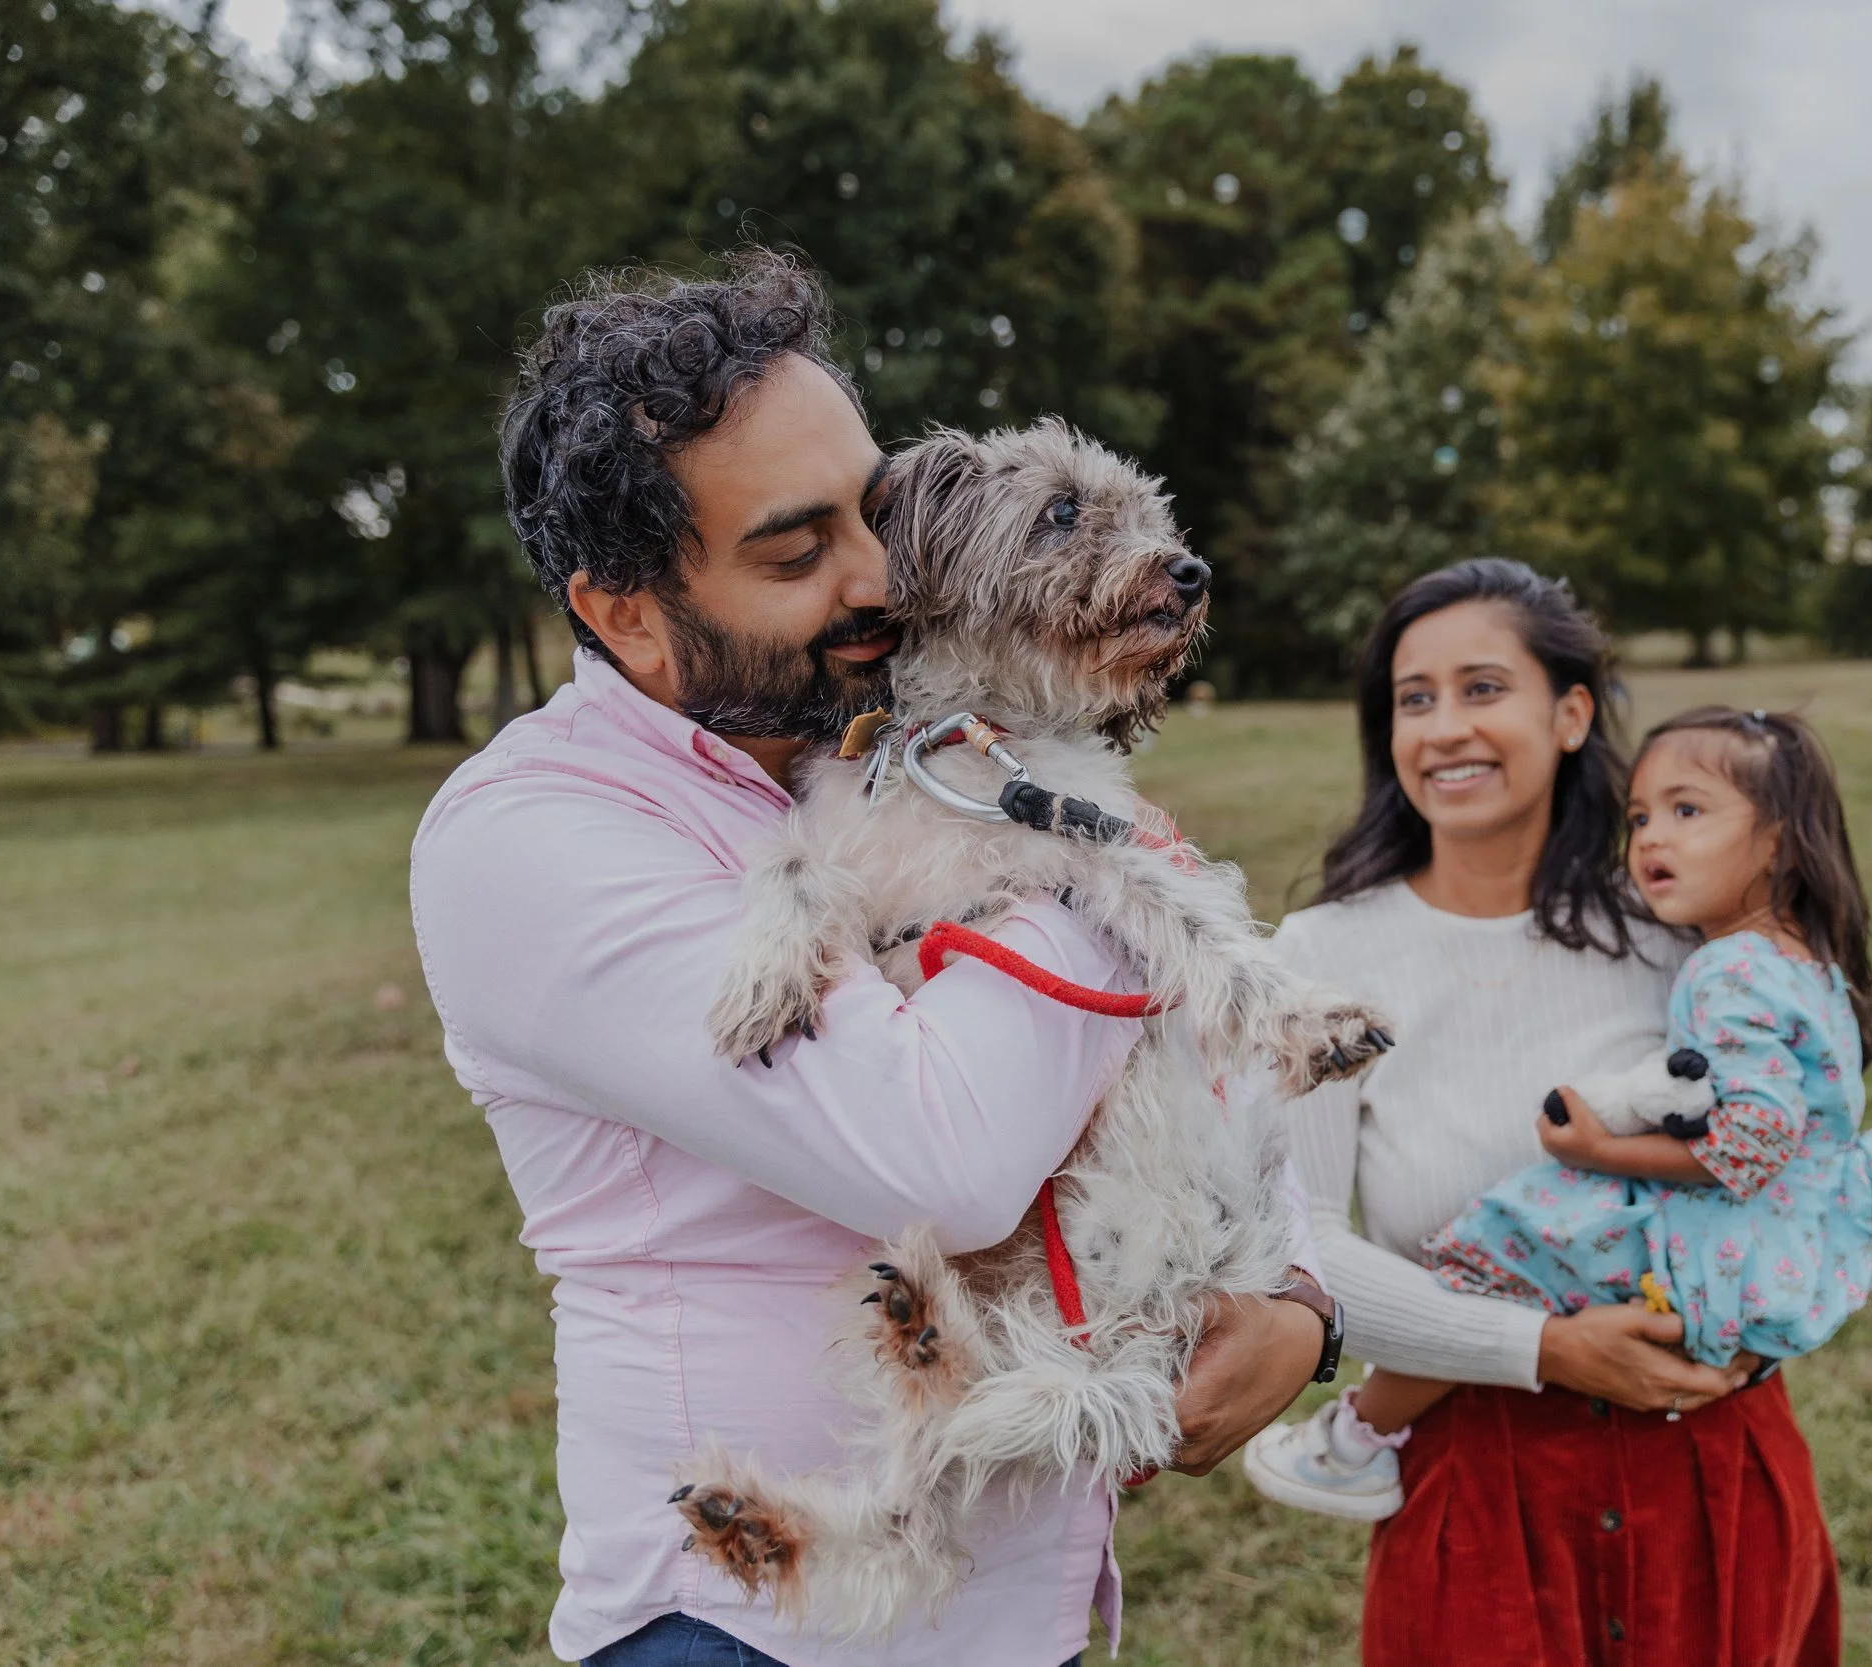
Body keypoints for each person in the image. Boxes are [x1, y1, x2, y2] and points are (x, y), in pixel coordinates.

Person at [410, 251, 1330, 1667]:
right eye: (794, 551)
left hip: (1022, 1607)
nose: (876, 578)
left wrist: (1304, 1307)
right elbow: (942, 1160)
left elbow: (1205, 1076)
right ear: (625, 610)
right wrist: (1100, 846)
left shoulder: (907, 743)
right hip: (745, 1629)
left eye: (870, 511)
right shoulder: (530, 838)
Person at [1240, 561, 1844, 1666]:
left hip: (1706, 1460)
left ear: (1569, 712)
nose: (1442, 728)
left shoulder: (1679, 929)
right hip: (1481, 1480)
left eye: (1481, 687)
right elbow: (1299, 1246)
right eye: (1412, 698)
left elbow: (1799, 1139)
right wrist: (1544, 1347)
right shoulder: (1321, 960)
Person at [1258, 703, 1872, 1512]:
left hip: (1729, 1230)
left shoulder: (1726, 971)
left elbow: (1753, 1144)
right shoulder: (1803, 962)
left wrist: (1596, 1151)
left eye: (1687, 811)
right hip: (1792, 1233)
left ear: (1778, 841)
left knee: (1507, 1256)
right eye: (1642, 816)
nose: (1651, 837)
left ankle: (1356, 1439)